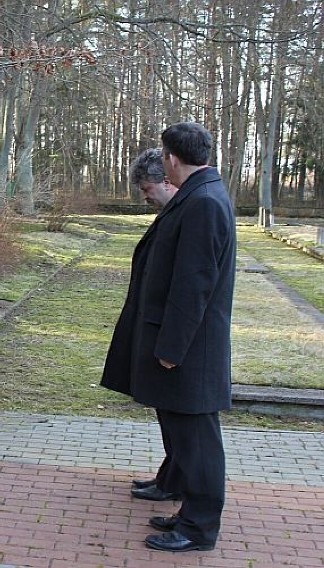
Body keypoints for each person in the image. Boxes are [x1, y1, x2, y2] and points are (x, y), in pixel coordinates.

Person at [101, 123, 236, 552]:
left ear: (173, 159)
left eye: (162, 156)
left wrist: (172, 350)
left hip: (190, 350)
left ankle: (197, 529)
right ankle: (188, 514)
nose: (161, 162)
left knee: (198, 442)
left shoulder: (204, 202)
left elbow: (193, 285)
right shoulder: (200, 196)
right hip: (186, 346)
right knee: (187, 438)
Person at [101, 148, 181, 503]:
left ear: (167, 180)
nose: (145, 196)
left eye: (148, 189)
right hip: (156, 327)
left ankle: (176, 482)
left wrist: (171, 344)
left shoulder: (191, 211)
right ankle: (170, 478)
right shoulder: (174, 212)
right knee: (168, 416)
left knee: (180, 420)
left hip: (171, 336)